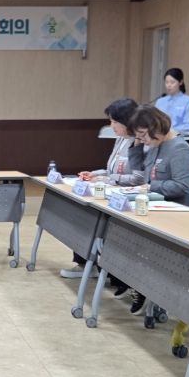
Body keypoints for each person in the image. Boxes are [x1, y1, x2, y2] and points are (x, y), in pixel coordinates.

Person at [60, 98, 145, 299]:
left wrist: (107, 178)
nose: (111, 126)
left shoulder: (139, 143)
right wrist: (95, 174)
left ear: (127, 120)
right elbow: (110, 170)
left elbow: (138, 178)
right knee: (83, 215)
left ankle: (119, 277)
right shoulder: (120, 139)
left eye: (115, 121)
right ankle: (87, 263)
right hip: (111, 193)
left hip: (126, 199)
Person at [126, 105, 189, 314]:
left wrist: (151, 186)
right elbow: (141, 173)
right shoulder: (157, 145)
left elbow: (183, 186)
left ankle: (149, 290)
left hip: (176, 214)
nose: (142, 140)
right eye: (138, 136)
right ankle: (139, 285)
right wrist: (135, 147)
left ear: (156, 127)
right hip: (156, 208)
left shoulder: (179, 149)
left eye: (143, 135)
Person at [155, 68, 189, 135]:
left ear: (180, 82)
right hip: (161, 136)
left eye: (172, 82)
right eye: (166, 82)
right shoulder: (160, 101)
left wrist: (171, 130)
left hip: (180, 137)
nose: (169, 85)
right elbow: (155, 122)